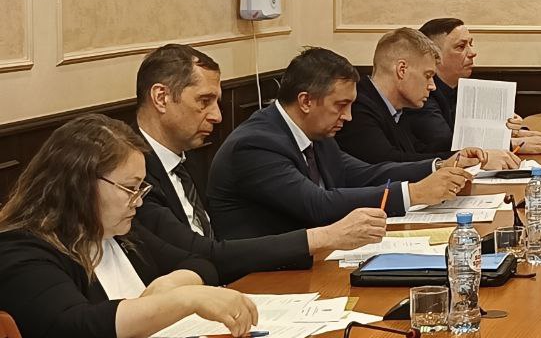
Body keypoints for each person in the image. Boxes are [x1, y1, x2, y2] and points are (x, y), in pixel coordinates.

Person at [0, 115, 259, 338]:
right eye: (129, 188)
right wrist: (185, 299)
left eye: (140, 188)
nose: (138, 201)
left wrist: (170, 284)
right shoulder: (20, 249)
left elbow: (200, 263)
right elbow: (77, 326)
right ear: (80, 183)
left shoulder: (118, 231)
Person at [135, 44, 387, 282]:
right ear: (161, 97)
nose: (217, 116)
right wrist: (325, 237)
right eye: (204, 101)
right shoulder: (133, 175)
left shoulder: (185, 159)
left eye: (217, 103)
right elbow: (203, 253)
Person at [208, 47, 474, 240]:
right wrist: (413, 194)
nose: (348, 117)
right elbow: (317, 204)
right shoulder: (256, 144)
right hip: (260, 279)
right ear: (306, 101)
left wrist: (436, 167)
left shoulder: (315, 132)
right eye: (341, 105)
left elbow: (360, 173)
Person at [335, 28, 517, 170]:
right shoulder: (357, 105)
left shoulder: (396, 107)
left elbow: (419, 151)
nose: (432, 86)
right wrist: (463, 161)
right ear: (402, 70)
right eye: (428, 75)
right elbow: (388, 162)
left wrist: (467, 155)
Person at [402, 18, 541, 156]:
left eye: (470, 44)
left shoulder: (460, 87)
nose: (472, 53)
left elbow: (472, 132)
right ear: (435, 55)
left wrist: (514, 131)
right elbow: (444, 142)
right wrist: (512, 144)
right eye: (461, 47)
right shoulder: (423, 91)